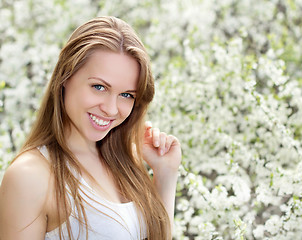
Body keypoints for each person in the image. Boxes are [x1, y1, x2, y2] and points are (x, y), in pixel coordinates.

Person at [0, 16, 181, 240]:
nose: (111, 109)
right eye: (99, 87)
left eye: (126, 95)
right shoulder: (31, 175)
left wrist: (165, 172)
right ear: (66, 76)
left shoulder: (121, 162)